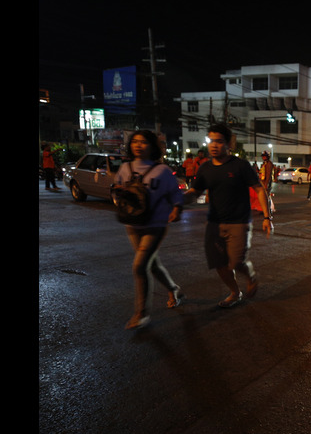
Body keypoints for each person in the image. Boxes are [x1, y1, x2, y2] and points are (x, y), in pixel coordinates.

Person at [184, 123, 273, 308]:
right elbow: (195, 192)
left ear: (228, 144)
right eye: (211, 141)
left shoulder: (240, 166)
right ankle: (234, 292)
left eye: (219, 141)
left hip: (239, 223)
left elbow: (259, 189)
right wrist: (178, 200)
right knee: (219, 263)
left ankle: (250, 276)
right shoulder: (205, 168)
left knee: (236, 262)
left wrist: (267, 217)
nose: (214, 145)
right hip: (215, 224)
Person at [113, 130, 185, 329]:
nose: (138, 145)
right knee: (151, 265)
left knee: (139, 266)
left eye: (143, 142)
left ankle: (141, 313)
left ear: (152, 146)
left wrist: (177, 209)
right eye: (135, 142)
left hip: (156, 225)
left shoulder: (162, 170)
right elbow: (116, 190)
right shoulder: (125, 168)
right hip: (132, 224)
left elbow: (175, 194)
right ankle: (173, 288)